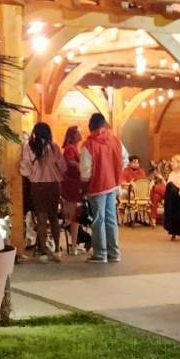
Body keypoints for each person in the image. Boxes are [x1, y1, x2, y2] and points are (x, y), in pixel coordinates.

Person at [79, 112, 127, 263]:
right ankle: (114, 253)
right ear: (104, 124)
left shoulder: (89, 145)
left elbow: (86, 171)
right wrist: (114, 172)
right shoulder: (115, 140)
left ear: (90, 126)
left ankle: (100, 254)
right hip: (112, 185)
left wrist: (83, 188)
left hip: (97, 186)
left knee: (98, 220)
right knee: (111, 219)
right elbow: (125, 159)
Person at [20, 121, 66, 262]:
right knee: (53, 217)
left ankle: (43, 252)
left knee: (41, 218)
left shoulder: (29, 147)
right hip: (53, 185)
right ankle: (57, 249)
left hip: (37, 185)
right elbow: (63, 166)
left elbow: (25, 167)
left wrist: (31, 175)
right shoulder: (54, 148)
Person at [60, 126, 85, 254]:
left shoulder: (74, 148)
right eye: (79, 132)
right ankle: (74, 245)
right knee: (74, 215)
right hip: (72, 184)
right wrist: (83, 166)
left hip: (73, 184)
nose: (81, 133)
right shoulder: (70, 148)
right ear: (73, 135)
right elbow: (71, 163)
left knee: (74, 215)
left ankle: (75, 243)